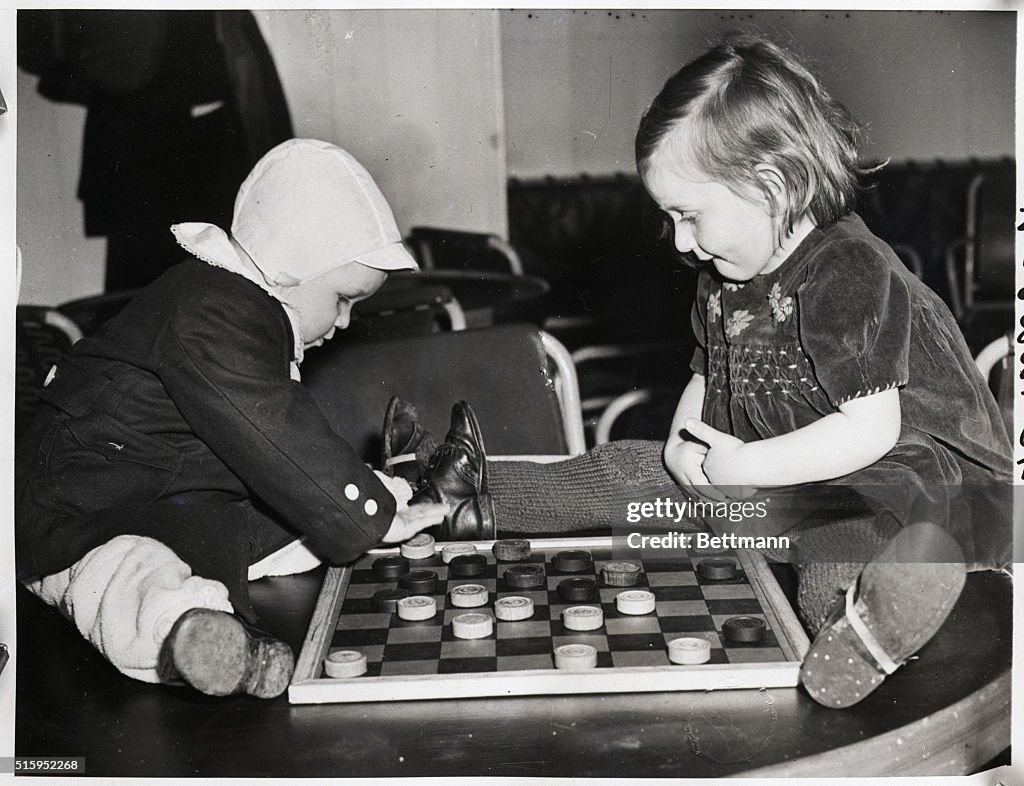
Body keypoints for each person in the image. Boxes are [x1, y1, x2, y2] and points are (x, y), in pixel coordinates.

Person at [392, 35, 1012, 709]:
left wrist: (749, 466)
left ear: (772, 183)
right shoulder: (723, 274)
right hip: (771, 477)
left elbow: (869, 432)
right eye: (671, 220)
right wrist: (683, 445)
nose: (682, 242)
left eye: (690, 216)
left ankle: (860, 633)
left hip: (907, 493)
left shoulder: (849, 269)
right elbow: (706, 377)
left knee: (834, 545)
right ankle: (451, 497)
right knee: (622, 472)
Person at [15, 139, 448, 699]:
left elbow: (270, 452)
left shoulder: (235, 307)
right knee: (127, 572)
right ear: (294, 266)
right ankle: (186, 632)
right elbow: (277, 431)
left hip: (163, 493)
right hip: (79, 509)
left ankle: (231, 622)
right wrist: (367, 510)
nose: (345, 320)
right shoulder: (215, 310)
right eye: (343, 298)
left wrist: (368, 501)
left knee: (268, 520)